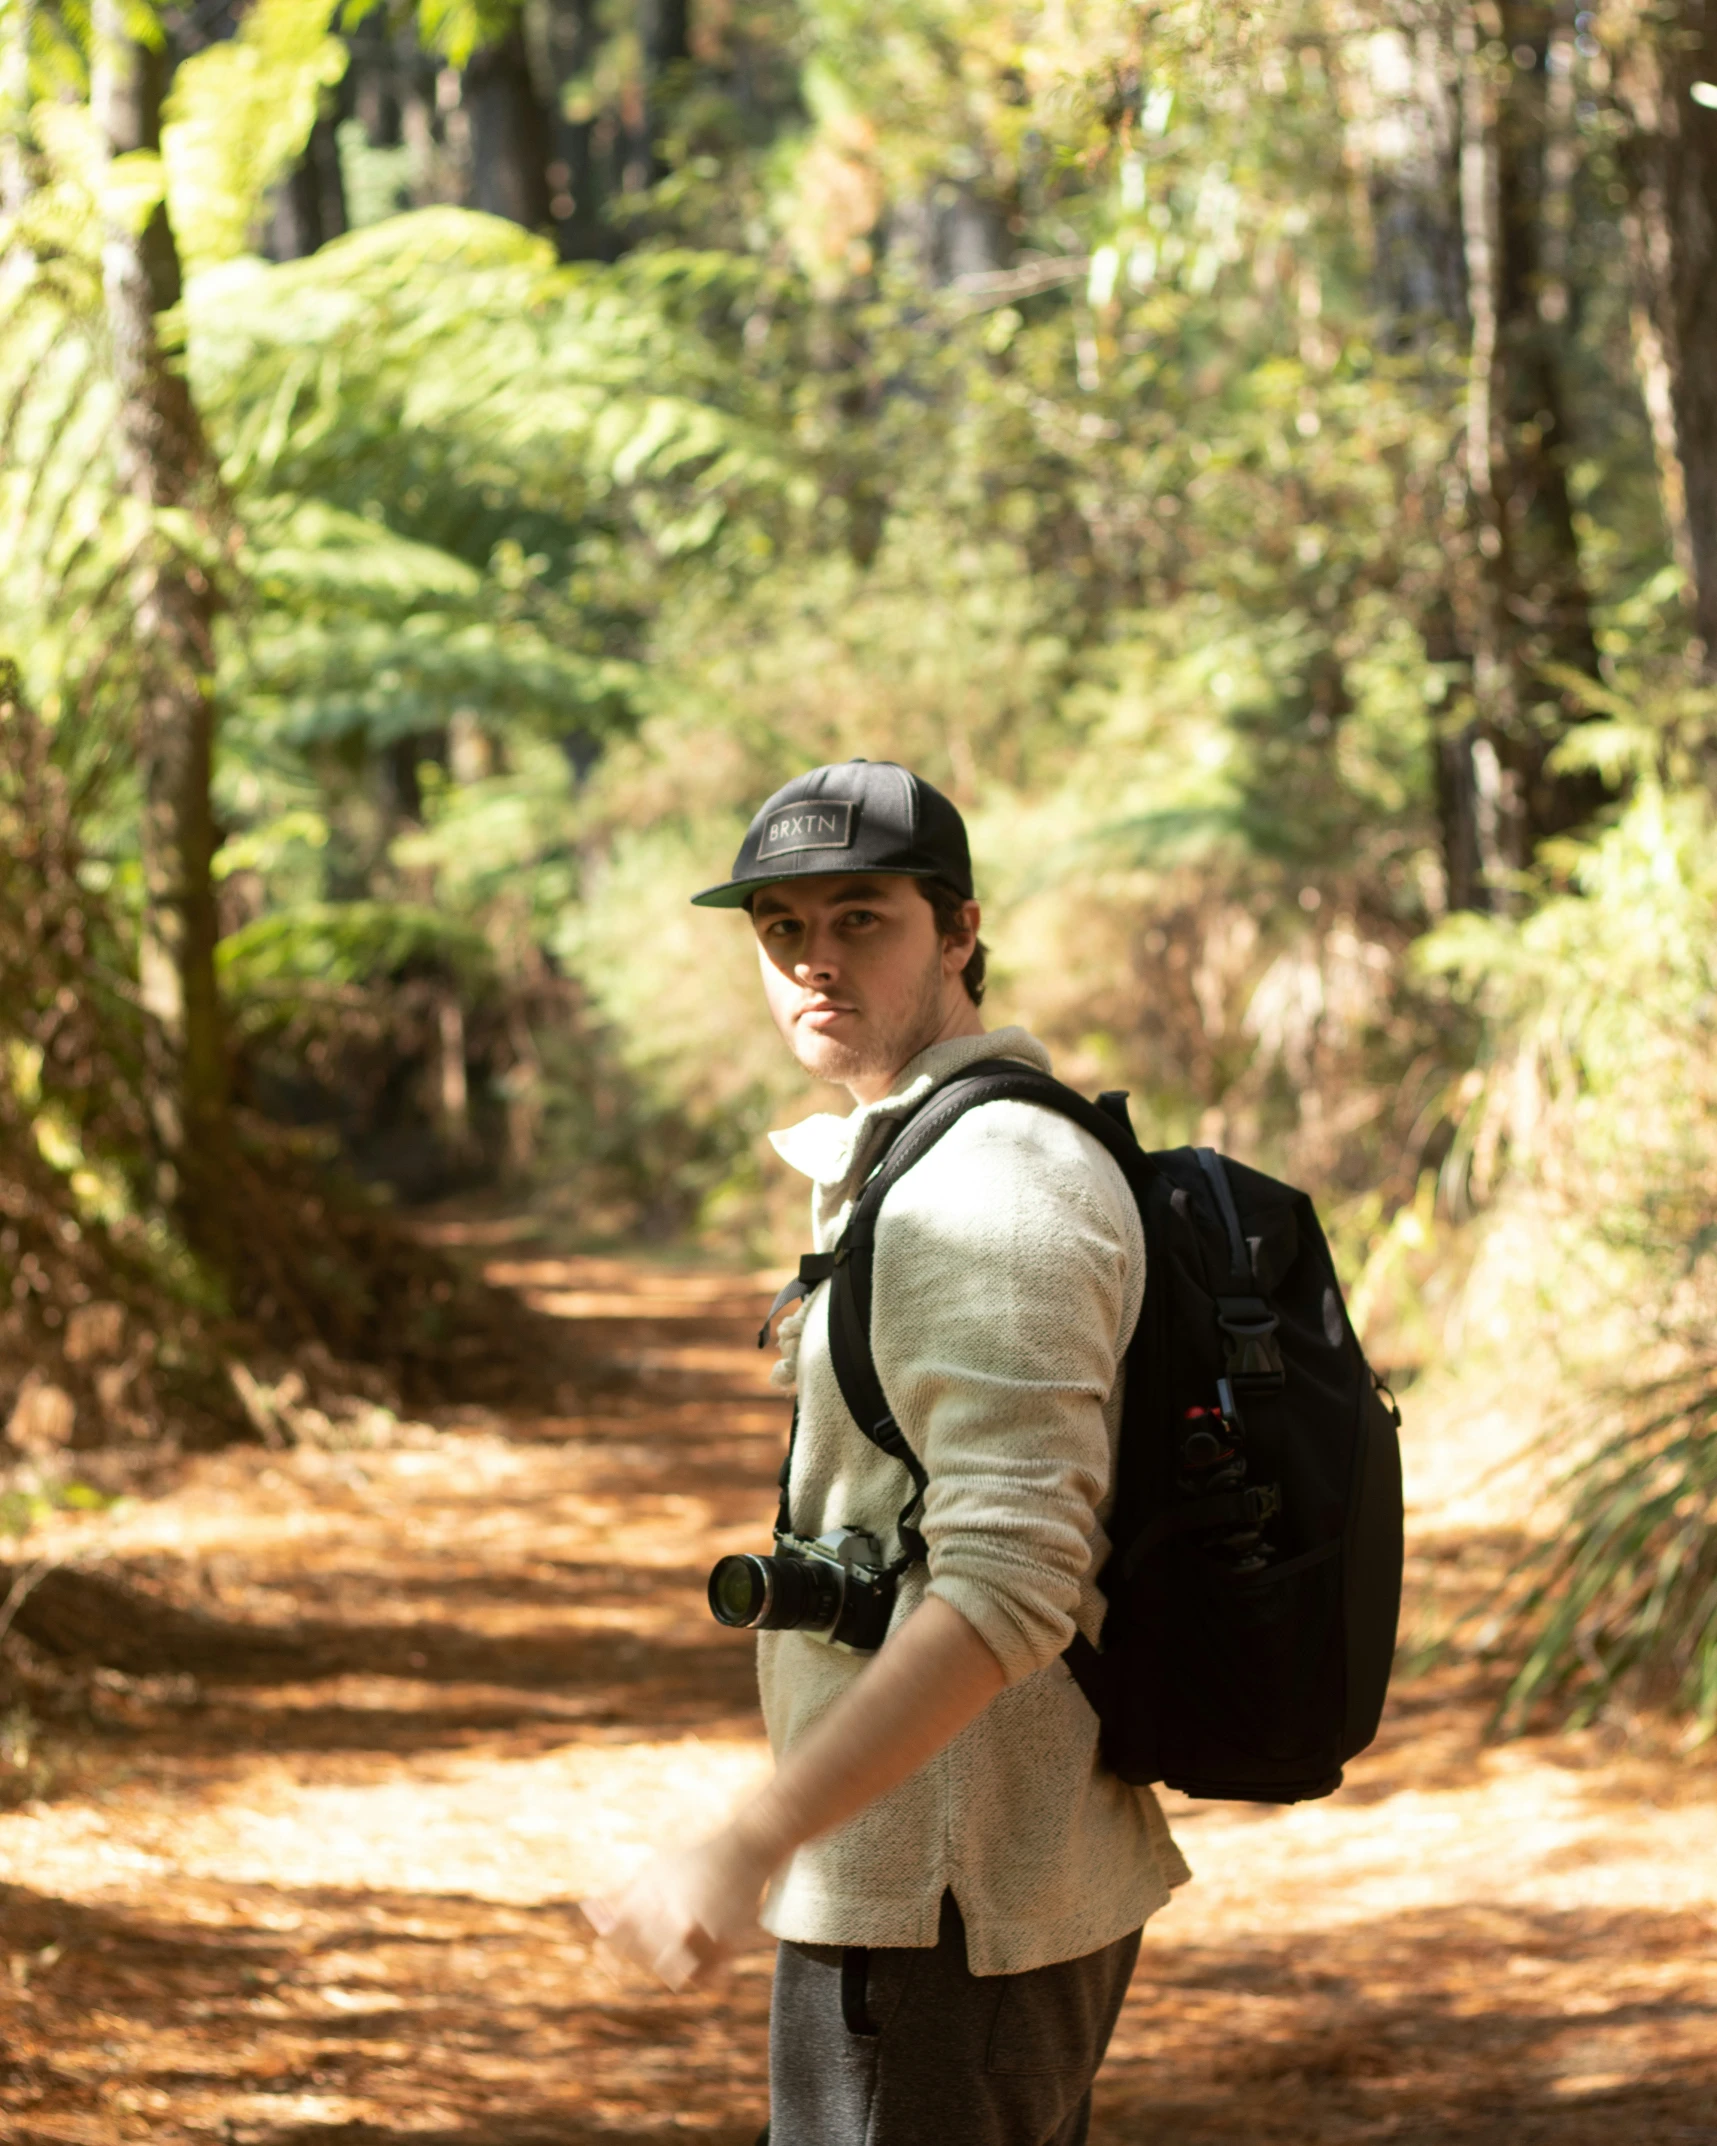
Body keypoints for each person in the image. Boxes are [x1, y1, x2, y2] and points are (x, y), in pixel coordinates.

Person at [584, 759, 1189, 2146]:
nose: (814, 960)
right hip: (940, 1885)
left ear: (960, 929)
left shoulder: (997, 1186)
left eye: (862, 918)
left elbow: (1008, 1585)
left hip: (941, 1903)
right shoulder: (923, 1157)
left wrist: (750, 1841)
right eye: (781, 928)